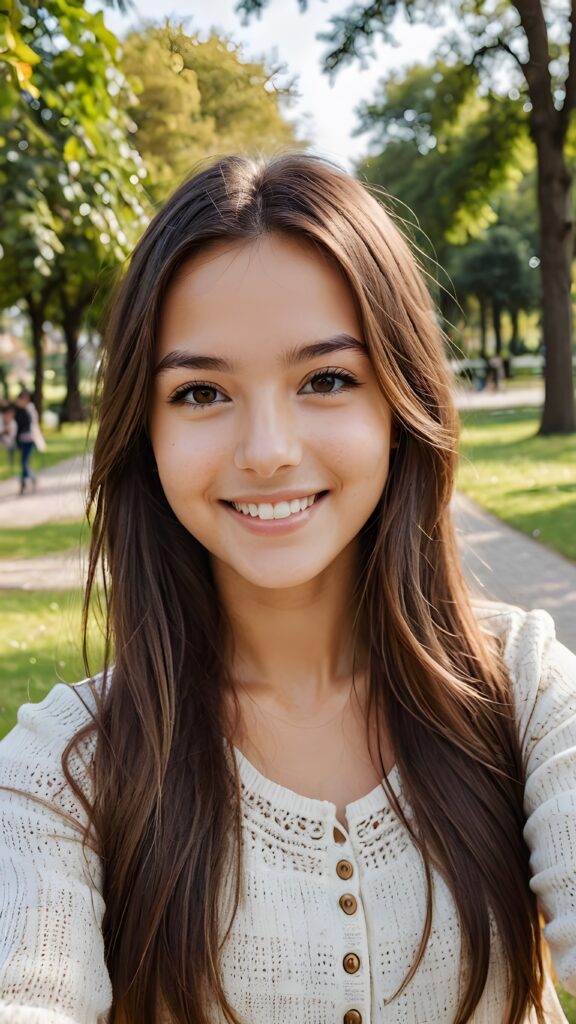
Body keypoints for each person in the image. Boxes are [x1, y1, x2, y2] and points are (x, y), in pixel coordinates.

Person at [0, 154, 574, 1024]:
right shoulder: (65, 769)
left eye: (326, 380)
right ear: (143, 431)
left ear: (400, 402)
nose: (266, 448)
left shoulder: (522, 689)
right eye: (200, 392)